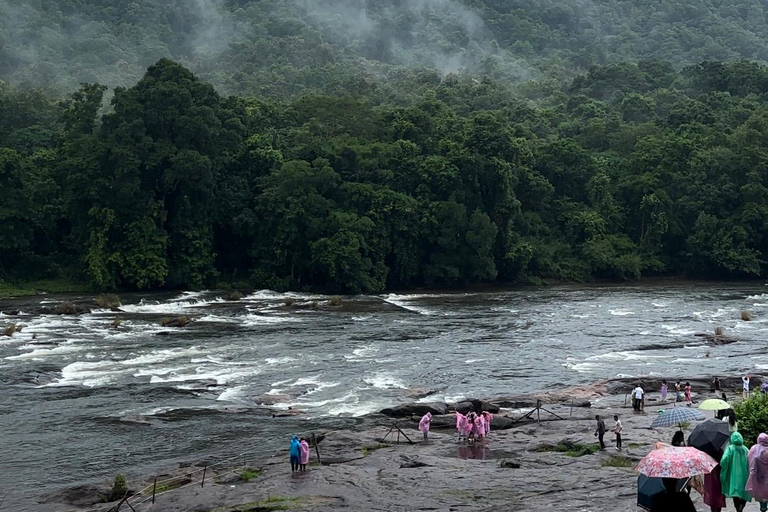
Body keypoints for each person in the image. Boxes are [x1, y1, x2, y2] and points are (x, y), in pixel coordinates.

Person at [720, 432, 752, 512]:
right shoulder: (745, 449)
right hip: (744, 475)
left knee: (735, 493)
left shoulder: (730, 448)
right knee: (744, 492)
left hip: (733, 475)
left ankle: (738, 508)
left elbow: (724, 460)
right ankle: (741, 507)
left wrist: (724, 466)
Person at [746, 433, 768, 512]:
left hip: (758, 476)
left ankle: (763, 508)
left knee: (761, 493)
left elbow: (749, 458)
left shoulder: (754, 449)